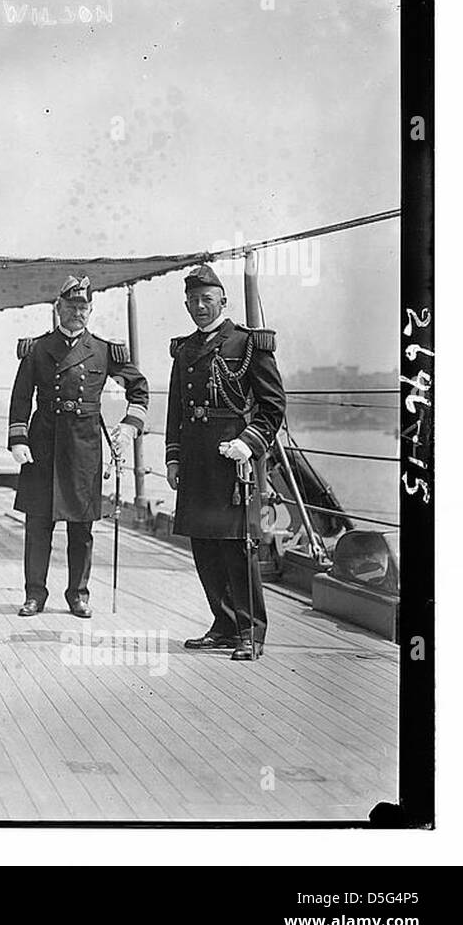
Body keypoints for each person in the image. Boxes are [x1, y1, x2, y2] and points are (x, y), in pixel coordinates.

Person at [7, 275, 149, 618]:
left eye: (83, 306)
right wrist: (18, 439)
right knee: (37, 525)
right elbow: (21, 398)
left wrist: (129, 427)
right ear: (58, 308)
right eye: (70, 306)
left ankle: (78, 595)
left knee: (81, 528)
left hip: (84, 448)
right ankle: (34, 594)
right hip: (42, 445)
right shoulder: (38, 349)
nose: (77, 312)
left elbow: (139, 389)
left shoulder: (103, 350)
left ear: (91, 310)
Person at [165, 264, 285, 661]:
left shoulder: (248, 344)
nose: (200, 306)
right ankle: (224, 623)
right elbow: (176, 409)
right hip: (197, 460)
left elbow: (272, 407)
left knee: (238, 547)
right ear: (186, 304)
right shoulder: (184, 349)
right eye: (193, 301)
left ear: (223, 301)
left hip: (233, 461)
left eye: (207, 299)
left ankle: (252, 631)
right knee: (205, 546)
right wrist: (174, 458)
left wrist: (249, 444)